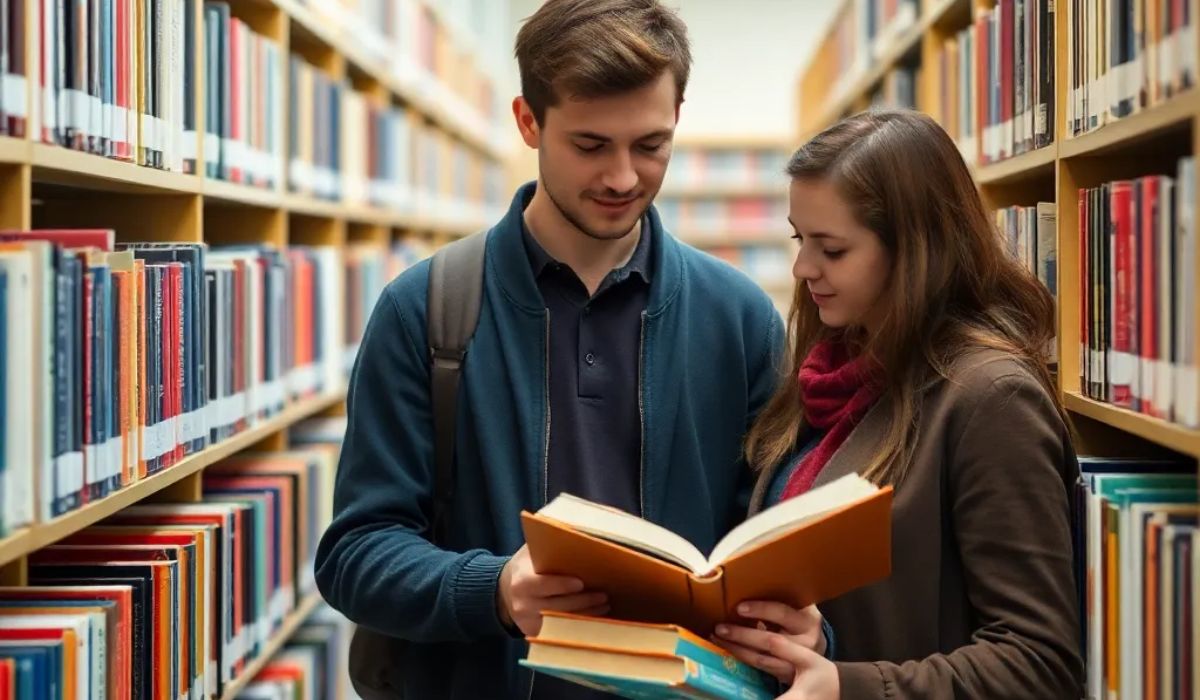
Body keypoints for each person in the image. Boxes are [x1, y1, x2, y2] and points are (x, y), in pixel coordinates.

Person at [313, 1, 786, 698]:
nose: (624, 177)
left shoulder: (740, 317)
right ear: (528, 121)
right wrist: (495, 590)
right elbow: (355, 555)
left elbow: (774, 551)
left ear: (679, 115)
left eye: (651, 145)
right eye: (591, 145)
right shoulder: (423, 311)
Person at [711, 110, 1084, 699]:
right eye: (798, 238)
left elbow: (1038, 663)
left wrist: (845, 686)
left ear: (915, 251)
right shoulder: (833, 370)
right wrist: (817, 643)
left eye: (831, 249)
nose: (803, 268)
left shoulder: (993, 400)